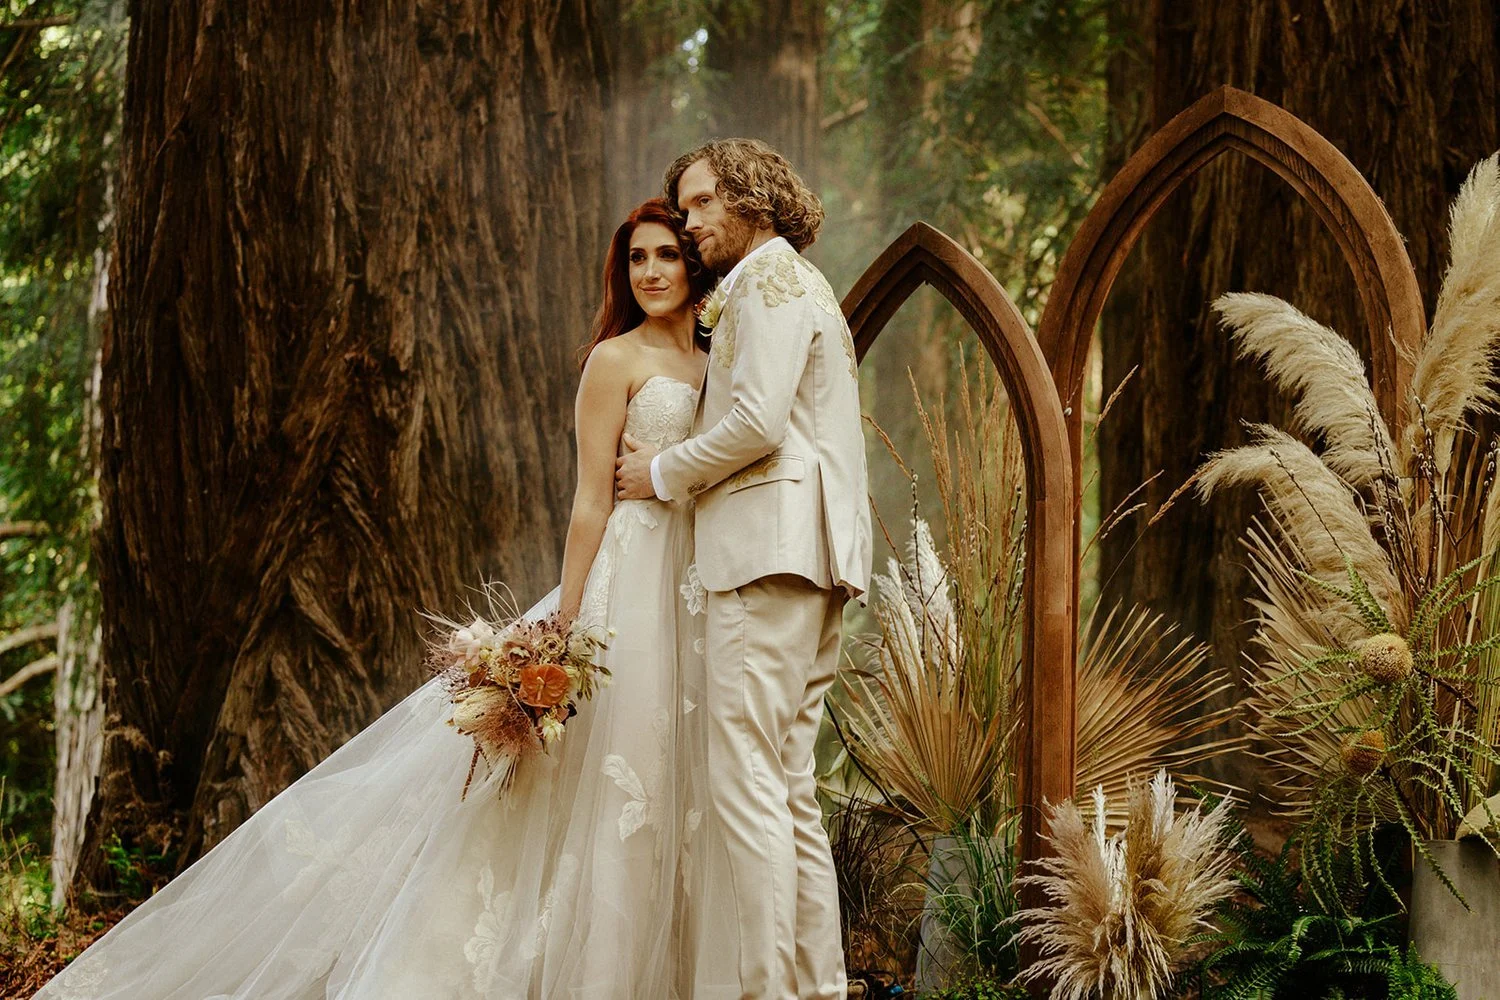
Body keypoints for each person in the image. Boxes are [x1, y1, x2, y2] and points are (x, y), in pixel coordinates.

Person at [36, 198, 731, 999]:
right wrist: (563, 629)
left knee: (674, 776)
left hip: (696, 587)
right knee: (604, 776)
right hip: (625, 588)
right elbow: (587, 503)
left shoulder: (720, 363)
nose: (650, 272)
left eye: (667, 257)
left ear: (694, 265)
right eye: (637, 258)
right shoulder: (615, 361)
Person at [616, 138, 873, 1000]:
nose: (687, 227)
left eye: (696, 206)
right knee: (788, 786)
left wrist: (659, 471)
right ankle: (817, 988)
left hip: (764, 556)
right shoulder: (807, 286)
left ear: (749, 197)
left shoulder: (764, 280)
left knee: (749, 787)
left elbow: (758, 421)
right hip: (813, 556)